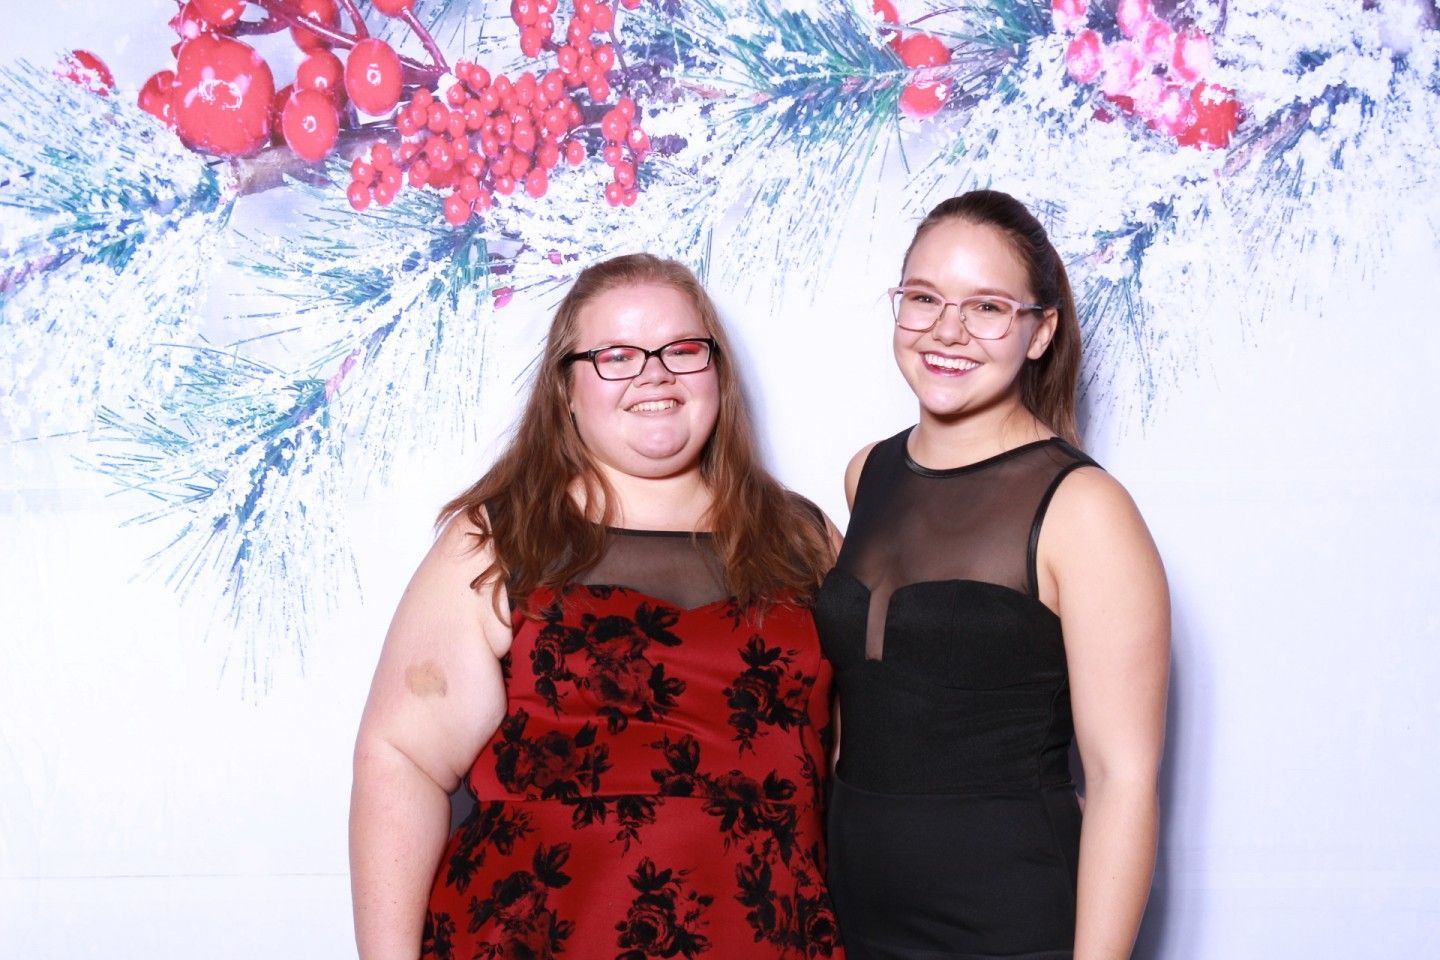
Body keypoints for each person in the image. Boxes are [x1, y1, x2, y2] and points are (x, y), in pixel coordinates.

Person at [349, 253, 844, 960]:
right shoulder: (501, 538)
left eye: (682, 350)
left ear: (718, 372)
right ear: (567, 390)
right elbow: (400, 759)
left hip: (768, 937)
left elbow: (871, 762)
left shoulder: (805, 538)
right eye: (616, 354)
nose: (654, 373)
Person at [814, 191, 1170, 960]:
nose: (948, 330)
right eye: (925, 298)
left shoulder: (1084, 509)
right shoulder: (864, 474)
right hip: (854, 910)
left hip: (1008, 922)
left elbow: (1121, 780)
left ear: (1039, 332)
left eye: (987, 307)